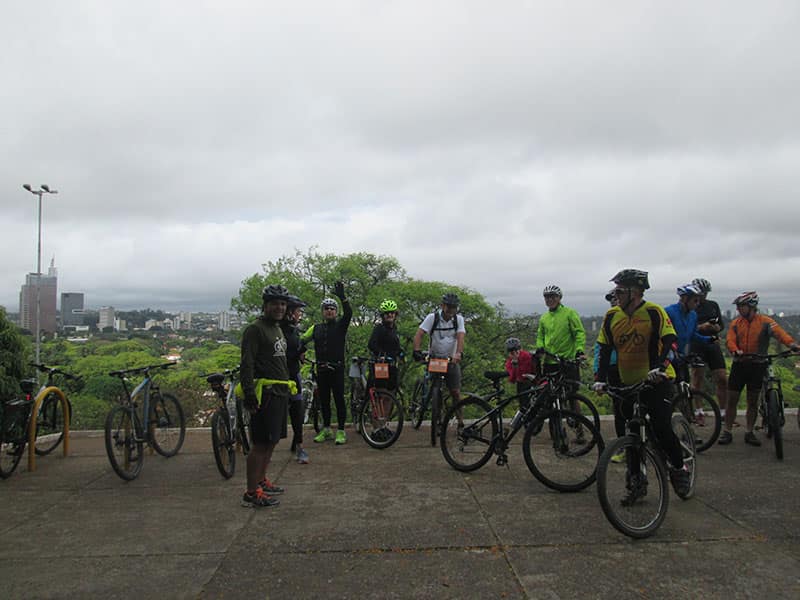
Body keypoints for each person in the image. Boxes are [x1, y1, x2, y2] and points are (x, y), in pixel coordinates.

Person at [593, 269, 691, 497]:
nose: (616, 295)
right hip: (627, 383)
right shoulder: (612, 316)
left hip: (657, 380)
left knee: (662, 427)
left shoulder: (653, 312)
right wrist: (600, 380)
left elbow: (671, 343)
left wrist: (660, 366)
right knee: (631, 433)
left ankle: (679, 469)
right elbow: (604, 349)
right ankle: (636, 478)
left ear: (635, 292)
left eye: (620, 291)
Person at [239, 284, 296, 508]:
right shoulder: (255, 329)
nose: (279, 308)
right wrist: (250, 395)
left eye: (283, 304)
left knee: (272, 441)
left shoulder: (277, 328)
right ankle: (251, 492)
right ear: (265, 305)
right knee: (260, 443)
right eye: (274, 304)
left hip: (280, 392)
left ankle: (261, 480)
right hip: (266, 394)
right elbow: (247, 363)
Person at [718, 291, 800, 446]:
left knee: (752, 401)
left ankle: (749, 432)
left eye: (741, 306)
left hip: (758, 364)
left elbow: (780, 334)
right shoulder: (736, 323)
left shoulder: (766, 322)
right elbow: (730, 340)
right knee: (732, 399)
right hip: (740, 364)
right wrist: (735, 350)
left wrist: (792, 345)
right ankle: (727, 431)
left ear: (751, 306)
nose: (738, 309)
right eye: (738, 306)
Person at [301, 281, 352, 445]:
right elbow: (302, 340)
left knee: (339, 400)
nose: (329, 311)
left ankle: (341, 430)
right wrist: (300, 350)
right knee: (324, 401)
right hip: (322, 369)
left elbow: (349, 314)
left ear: (336, 312)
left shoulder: (340, 326)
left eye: (332, 308)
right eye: (326, 308)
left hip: (337, 368)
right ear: (322, 312)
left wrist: (343, 298)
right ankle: (327, 429)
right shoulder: (315, 328)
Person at [536, 284, 586, 435]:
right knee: (551, 397)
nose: (550, 299)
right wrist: (540, 347)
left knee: (572, 396)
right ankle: (556, 432)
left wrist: (579, 350)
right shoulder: (544, 318)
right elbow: (540, 336)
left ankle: (579, 429)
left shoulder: (569, 313)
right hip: (549, 362)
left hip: (567, 361)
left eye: (553, 296)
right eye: (547, 297)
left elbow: (579, 333)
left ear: (559, 298)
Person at [412, 292, 466, 426]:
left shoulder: (458, 319)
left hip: (451, 360)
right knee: (436, 389)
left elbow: (460, 336)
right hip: (435, 359)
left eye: (454, 307)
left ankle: (460, 421)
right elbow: (419, 334)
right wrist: (416, 350)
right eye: (449, 306)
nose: (451, 310)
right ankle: (437, 417)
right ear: (442, 306)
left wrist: (458, 353)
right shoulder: (432, 318)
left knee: (455, 392)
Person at [688, 278, 730, 425]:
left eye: (706, 293)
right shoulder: (690, 307)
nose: (704, 296)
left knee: (722, 378)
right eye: (702, 293)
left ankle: (723, 412)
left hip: (713, 343)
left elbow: (721, 325)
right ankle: (698, 411)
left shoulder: (713, 305)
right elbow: (687, 328)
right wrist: (702, 327)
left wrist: (716, 327)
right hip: (696, 345)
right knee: (697, 378)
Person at [367, 299, 402, 441]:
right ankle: (376, 428)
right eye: (387, 313)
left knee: (389, 397)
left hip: (392, 366)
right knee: (379, 397)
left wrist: (401, 353)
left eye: (392, 313)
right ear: (383, 315)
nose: (390, 315)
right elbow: (371, 344)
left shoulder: (394, 329)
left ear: (395, 314)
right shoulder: (379, 329)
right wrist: (382, 354)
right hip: (381, 365)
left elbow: (396, 347)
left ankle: (384, 425)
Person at [282, 294, 309, 464]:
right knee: (290, 411)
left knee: (297, 409)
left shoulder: (293, 329)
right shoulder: (280, 330)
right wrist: (300, 351)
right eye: (298, 311)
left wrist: (300, 351)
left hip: (293, 374)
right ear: (290, 312)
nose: (300, 314)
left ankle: (299, 445)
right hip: (281, 376)